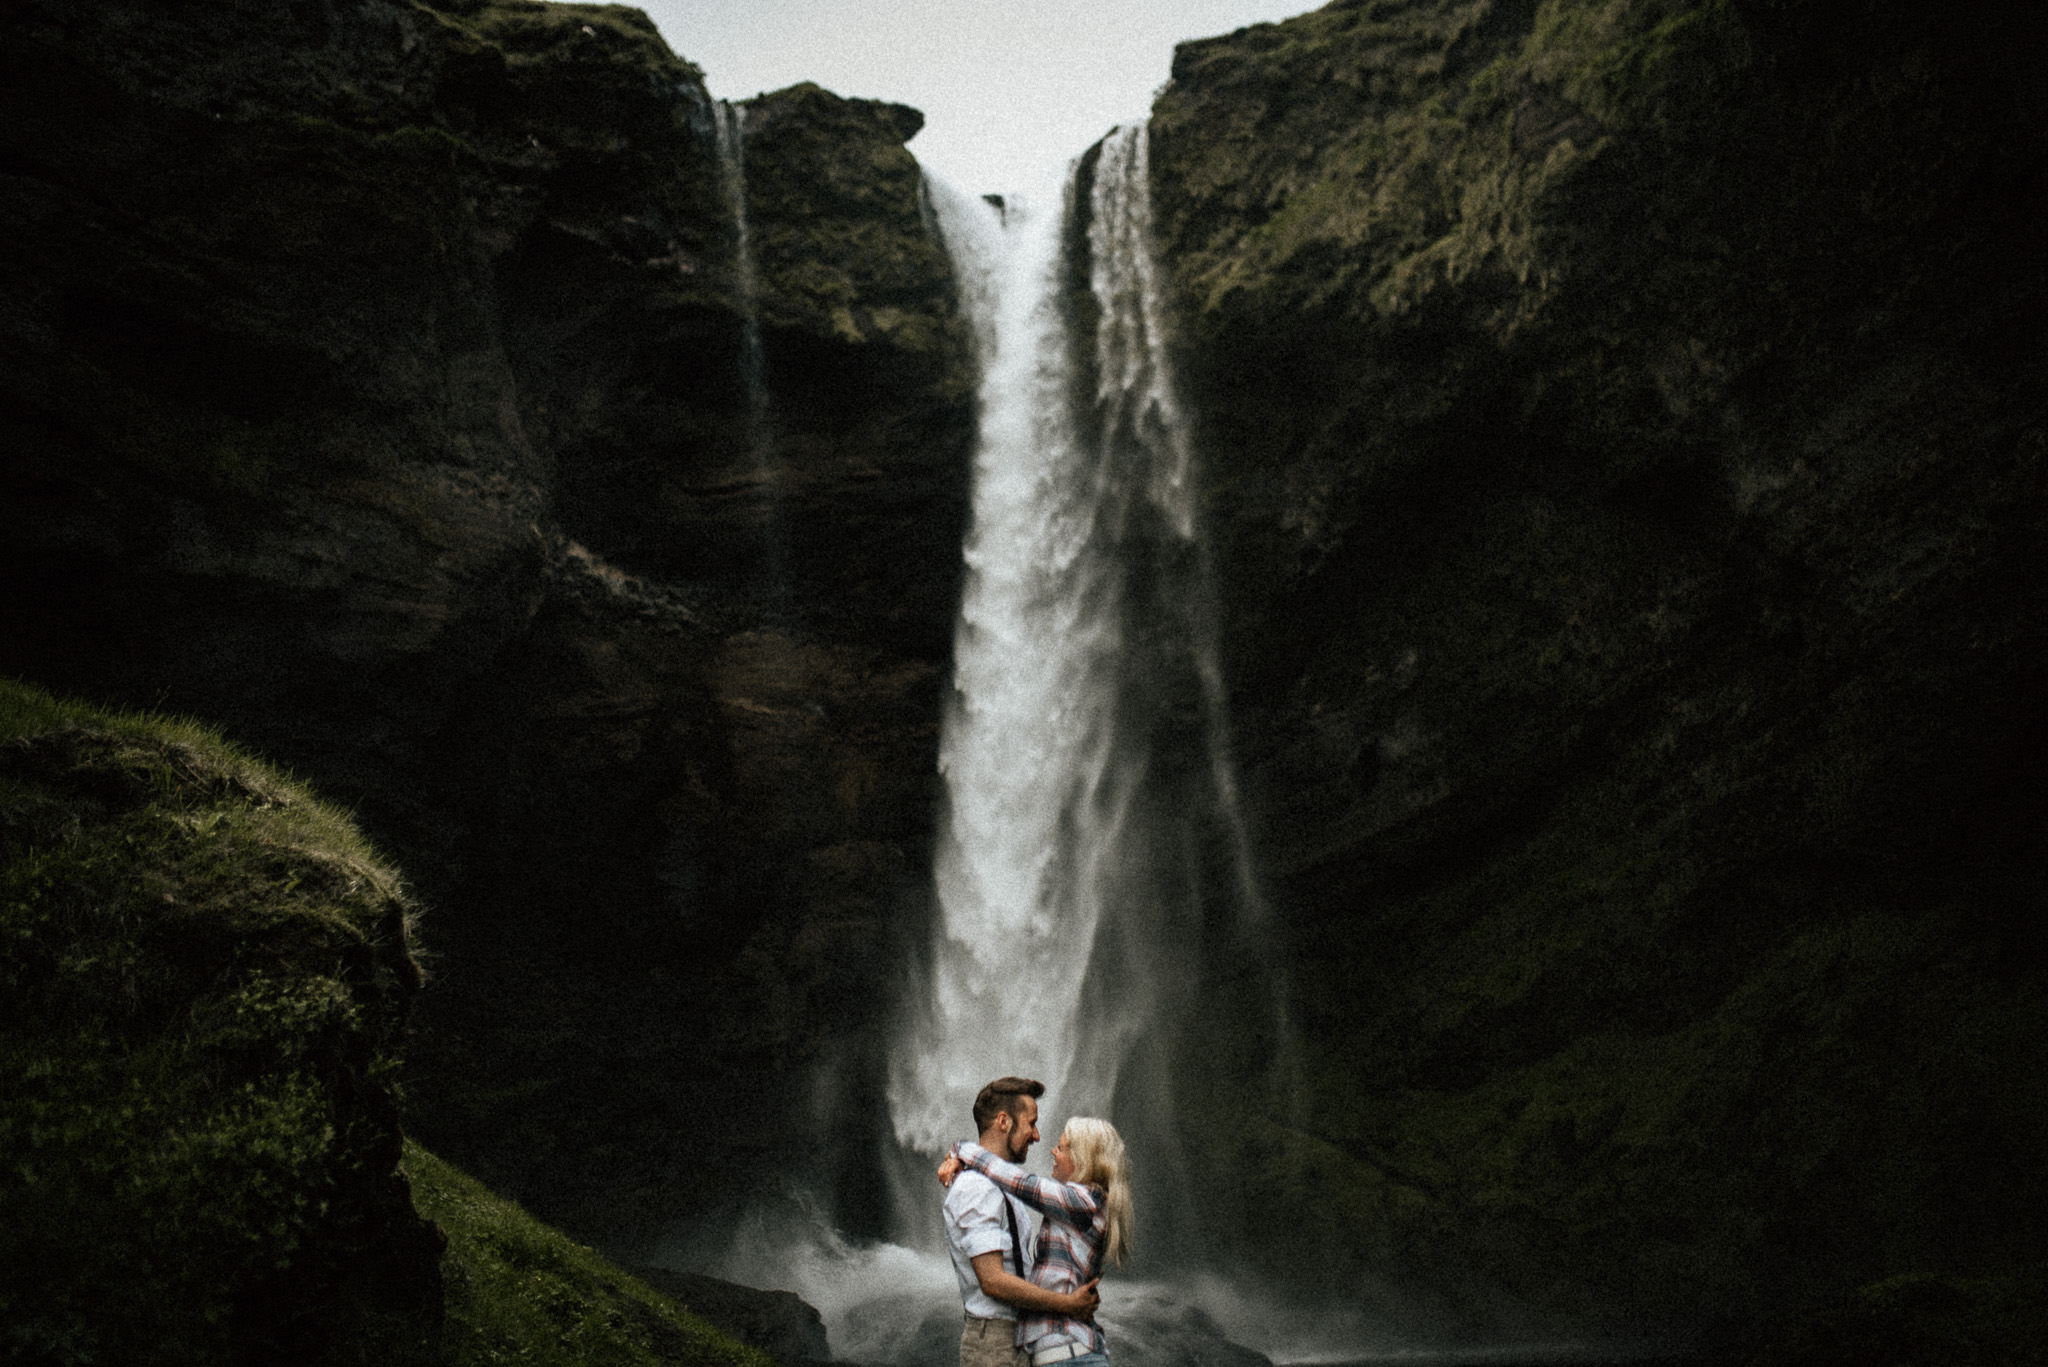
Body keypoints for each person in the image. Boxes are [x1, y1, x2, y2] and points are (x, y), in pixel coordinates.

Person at [939, 1113, 1131, 1367]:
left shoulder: (1084, 1202)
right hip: (1067, 1355)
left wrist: (960, 1150)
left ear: (1081, 1158)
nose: (1052, 1150)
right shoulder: (1083, 1205)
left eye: (1061, 1147)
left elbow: (1017, 1181)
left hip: (1069, 1356)